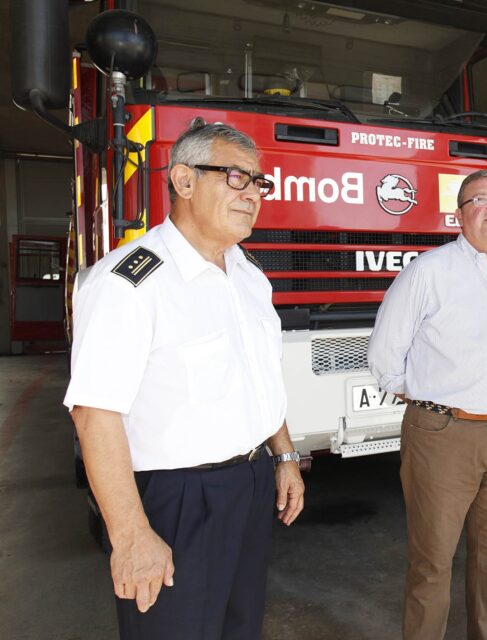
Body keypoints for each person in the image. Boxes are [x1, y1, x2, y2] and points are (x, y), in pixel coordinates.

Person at [63, 119, 305, 640]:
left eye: (259, 182)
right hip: (176, 500)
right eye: (236, 177)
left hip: (250, 484)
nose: (253, 194)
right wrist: (129, 534)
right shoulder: (129, 282)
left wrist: (282, 456)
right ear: (184, 180)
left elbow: (260, 379)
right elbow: (94, 411)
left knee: (240, 627)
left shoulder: (249, 277)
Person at [368, 169, 487, 640]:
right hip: (443, 435)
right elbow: (384, 355)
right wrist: (430, 398)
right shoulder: (430, 271)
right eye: (479, 200)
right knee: (432, 561)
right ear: (458, 216)